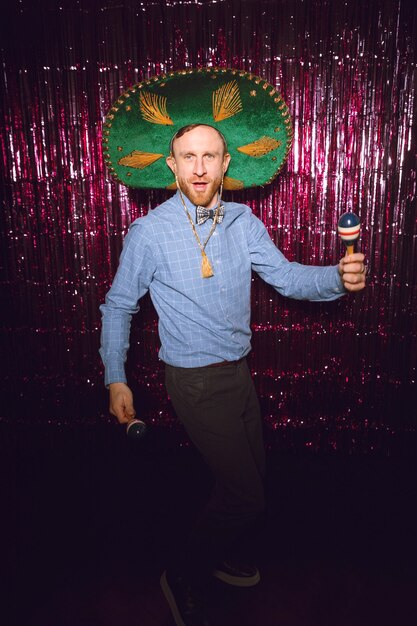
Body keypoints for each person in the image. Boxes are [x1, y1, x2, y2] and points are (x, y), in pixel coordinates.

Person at [100, 70, 366, 626]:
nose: (199, 166)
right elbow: (118, 307)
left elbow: (289, 279)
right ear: (171, 166)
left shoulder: (245, 222)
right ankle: (185, 573)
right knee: (246, 496)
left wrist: (339, 278)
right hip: (194, 382)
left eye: (210, 155)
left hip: (238, 375)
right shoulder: (148, 233)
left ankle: (218, 552)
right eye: (188, 156)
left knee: (249, 480)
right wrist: (116, 377)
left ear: (226, 164)